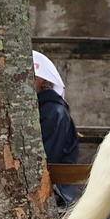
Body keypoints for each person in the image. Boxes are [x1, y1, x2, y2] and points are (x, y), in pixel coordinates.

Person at [36, 75, 79, 207]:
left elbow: (50, 155)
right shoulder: (46, 109)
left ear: (41, 80)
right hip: (49, 188)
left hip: (57, 192)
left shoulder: (53, 111)